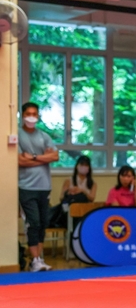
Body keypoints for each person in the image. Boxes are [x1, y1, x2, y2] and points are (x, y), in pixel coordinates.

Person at [17, 102, 59, 272]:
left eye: (34, 114)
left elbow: (55, 156)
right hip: (26, 186)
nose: (31, 117)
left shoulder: (44, 136)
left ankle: (38, 259)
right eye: (28, 114)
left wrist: (33, 157)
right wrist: (43, 158)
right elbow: (20, 161)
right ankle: (34, 259)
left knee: (43, 222)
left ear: (38, 116)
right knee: (33, 222)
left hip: (44, 186)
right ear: (23, 115)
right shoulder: (17, 134)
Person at [49, 155, 97, 229]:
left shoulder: (92, 183)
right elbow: (61, 198)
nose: (83, 167)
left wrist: (83, 191)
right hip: (70, 211)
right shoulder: (69, 181)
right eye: (82, 164)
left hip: (84, 211)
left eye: (86, 165)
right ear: (77, 166)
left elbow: (92, 198)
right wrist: (69, 192)